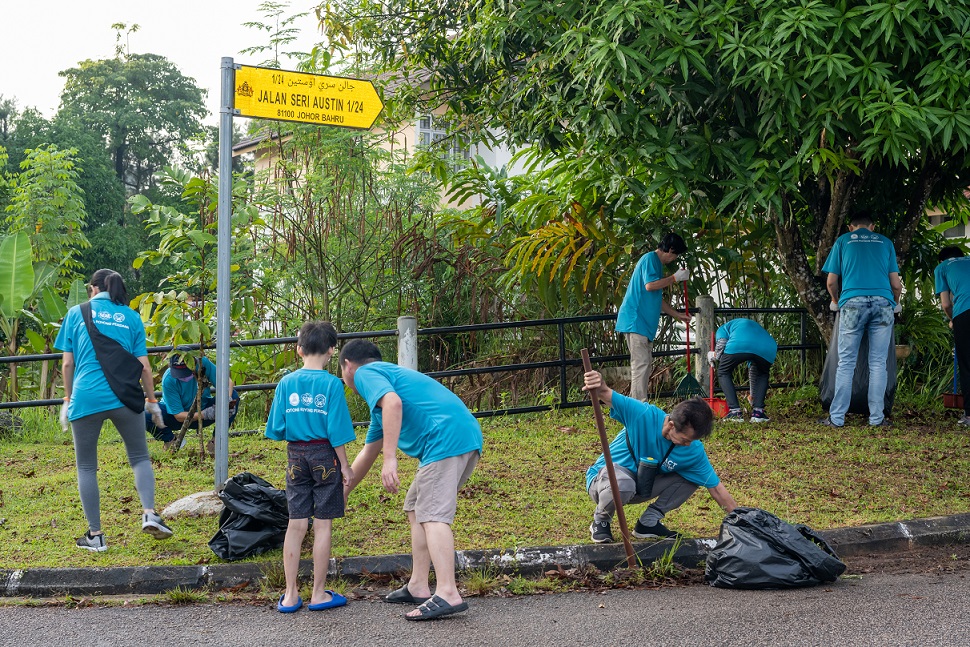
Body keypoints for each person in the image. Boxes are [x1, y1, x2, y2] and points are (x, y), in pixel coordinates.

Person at [340, 339, 482, 621]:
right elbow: (369, 451)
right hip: (459, 437)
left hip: (445, 440)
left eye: (342, 375)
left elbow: (394, 403)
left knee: (432, 516)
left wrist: (391, 458)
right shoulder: (380, 402)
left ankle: (448, 593)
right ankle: (418, 584)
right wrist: (343, 491)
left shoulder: (366, 373)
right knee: (417, 508)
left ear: (347, 366)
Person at [54, 269, 173, 552]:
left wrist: (68, 399)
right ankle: (149, 513)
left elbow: (67, 364)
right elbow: (144, 366)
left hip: (86, 397)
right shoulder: (130, 316)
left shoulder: (76, 313)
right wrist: (153, 401)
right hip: (124, 397)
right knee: (140, 457)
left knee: (86, 466)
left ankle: (96, 536)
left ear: (93, 289)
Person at [583, 369, 739, 543]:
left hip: (640, 486)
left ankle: (648, 524)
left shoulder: (693, 450)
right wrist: (598, 381)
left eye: (692, 441)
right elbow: (604, 393)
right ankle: (601, 521)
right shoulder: (643, 414)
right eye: (685, 439)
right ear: (671, 425)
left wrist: (741, 521)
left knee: (692, 478)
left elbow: (716, 489)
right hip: (605, 483)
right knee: (624, 484)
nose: (688, 444)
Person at [264, 321, 355, 613]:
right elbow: (337, 432)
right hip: (324, 455)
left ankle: (290, 595)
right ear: (331, 350)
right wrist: (345, 467)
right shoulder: (332, 385)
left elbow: (276, 428)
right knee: (323, 523)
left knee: (297, 522)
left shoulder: (286, 383)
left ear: (299, 349)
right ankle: (318, 594)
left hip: (295, 456)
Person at [821, 211, 902, 427]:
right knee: (878, 363)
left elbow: (831, 282)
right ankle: (877, 418)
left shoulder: (843, 241)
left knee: (846, 363)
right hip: (883, 303)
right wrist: (895, 302)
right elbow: (896, 284)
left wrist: (836, 300)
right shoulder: (885, 242)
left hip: (852, 302)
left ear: (851, 227)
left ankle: (837, 418)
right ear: (872, 226)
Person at [615, 233, 692, 401]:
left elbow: (657, 298)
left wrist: (677, 315)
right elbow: (650, 286)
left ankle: (638, 405)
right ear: (670, 249)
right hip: (636, 321)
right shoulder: (650, 259)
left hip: (644, 324)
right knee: (641, 365)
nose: (675, 258)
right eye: (676, 254)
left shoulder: (656, 264)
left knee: (645, 365)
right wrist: (674, 278)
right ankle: (639, 406)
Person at [145, 353, 240, 451]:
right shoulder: (168, 379)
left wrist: (226, 401)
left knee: (233, 397)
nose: (182, 376)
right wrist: (204, 414)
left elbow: (227, 382)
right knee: (146, 411)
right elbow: (178, 415)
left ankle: (217, 442)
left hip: (204, 407)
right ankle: (171, 440)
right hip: (176, 417)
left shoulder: (203, 363)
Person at [707, 319, 778, 422]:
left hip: (740, 343)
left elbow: (721, 345)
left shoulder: (722, 329)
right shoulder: (750, 328)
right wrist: (753, 396)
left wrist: (713, 355)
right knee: (762, 374)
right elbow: (753, 371)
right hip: (768, 347)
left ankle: (735, 412)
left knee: (723, 371)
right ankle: (758, 414)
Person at [934, 246, 970, 426]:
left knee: (967, 364)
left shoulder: (942, 267)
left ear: (942, 260)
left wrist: (952, 319)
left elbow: (946, 304)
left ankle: (969, 415)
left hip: (965, 312)